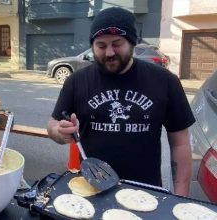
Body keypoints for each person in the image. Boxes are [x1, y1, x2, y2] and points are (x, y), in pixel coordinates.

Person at [47, 7, 195, 197]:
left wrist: (181, 198)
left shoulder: (165, 81)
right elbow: (52, 125)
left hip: (145, 192)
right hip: (91, 189)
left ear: (132, 42)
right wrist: (59, 132)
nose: (109, 52)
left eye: (117, 44)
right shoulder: (77, 81)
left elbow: (180, 144)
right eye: (101, 46)